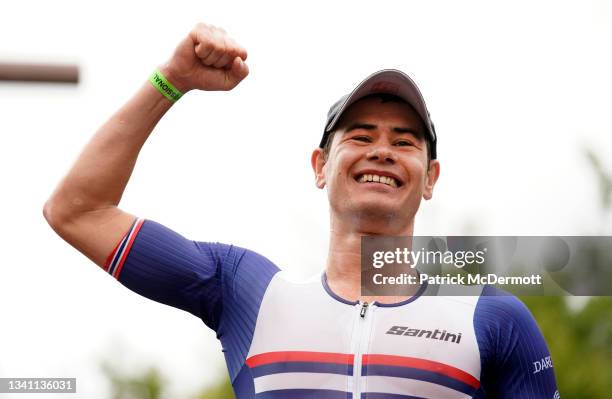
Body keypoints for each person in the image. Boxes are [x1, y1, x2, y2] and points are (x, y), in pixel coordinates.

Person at [43, 22, 560, 398]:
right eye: (359, 136)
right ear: (320, 166)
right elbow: (76, 210)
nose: (381, 150)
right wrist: (171, 80)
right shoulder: (246, 290)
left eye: (404, 142)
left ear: (431, 179)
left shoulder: (492, 318)